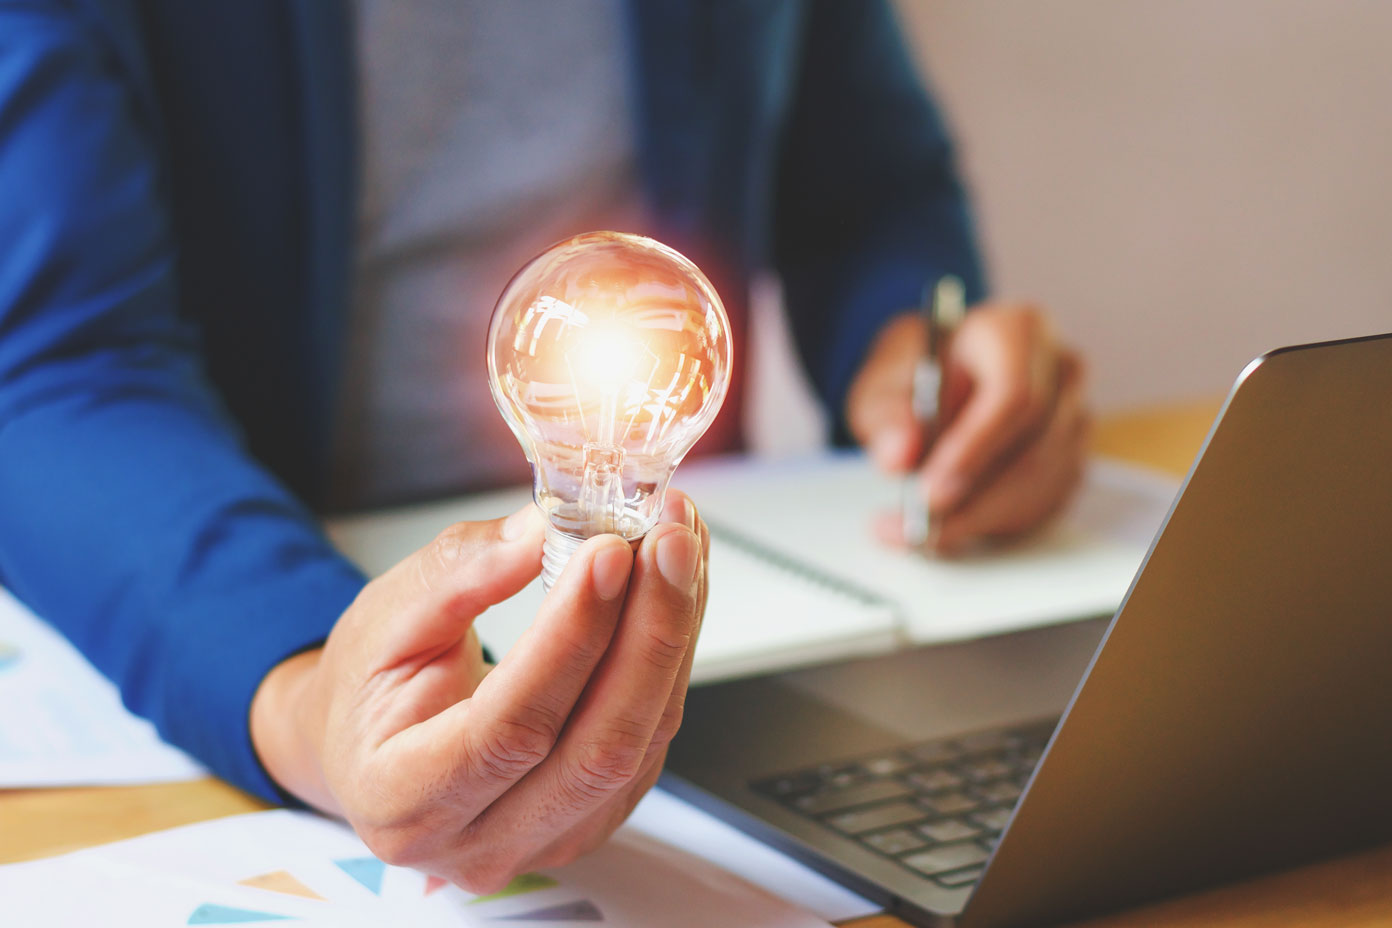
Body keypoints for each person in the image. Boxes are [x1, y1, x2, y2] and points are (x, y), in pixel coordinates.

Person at [0, 0, 1087, 891]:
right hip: (254, 588)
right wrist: (303, 687)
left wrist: (914, 347)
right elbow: (56, 364)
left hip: (735, 635)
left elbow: (871, 181)